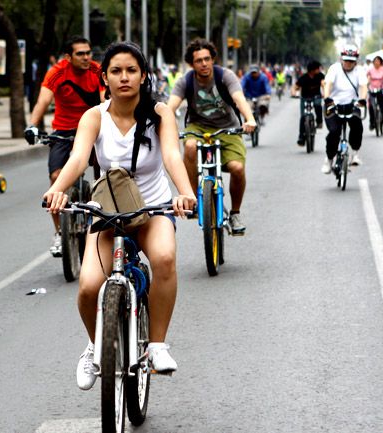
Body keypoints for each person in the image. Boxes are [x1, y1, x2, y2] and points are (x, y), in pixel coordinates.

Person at [43, 41, 196, 390]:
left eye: (131, 70)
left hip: (153, 208)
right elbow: (79, 158)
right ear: (105, 78)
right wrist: (60, 188)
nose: (124, 77)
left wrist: (185, 192)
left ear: (143, 76)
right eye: (116, 71)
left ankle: (156, 345)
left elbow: (172, 156)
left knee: (164, 258)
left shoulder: (159, 113)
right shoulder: (94, 116)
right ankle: (93, 347)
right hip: (108, 211)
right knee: (88, 287)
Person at [25, 36, 106, 257]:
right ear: (68, 57)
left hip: (92, 128)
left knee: (105, 172)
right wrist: (32, 126)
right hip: (63, 130)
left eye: (88, 52)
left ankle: (104, 215)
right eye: (80, 54)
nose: (86, 57)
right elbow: (43, 100)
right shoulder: (57, 72)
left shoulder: (97, 71)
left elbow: (104, 99)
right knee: (55, 178)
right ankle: (60, 231)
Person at [167, 39, 256, 235]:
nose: (204, 64)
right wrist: (160, 126)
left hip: (228, 128)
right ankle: (192, 198)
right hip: (198, 127)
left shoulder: (225, 76)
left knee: (237, 168)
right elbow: (169, 107)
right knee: (189, 146)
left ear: (213, 59)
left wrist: (249, 119)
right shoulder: (186, 81)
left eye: (207, 59)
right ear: (192, 64)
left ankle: (235, 213)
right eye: (199, 60)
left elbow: (238, 98)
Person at [321, 44, 367, 173]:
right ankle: (329, 160)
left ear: (356, 61)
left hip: (353, 104)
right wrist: (327, 98)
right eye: (346, 60)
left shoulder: (360, 71)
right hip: (333, 105)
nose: (348, 63)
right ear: (341, 59)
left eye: (351, 61)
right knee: (334, 132)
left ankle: (355, 154)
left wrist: (362, 99)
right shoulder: (334, 69)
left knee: (357, 126)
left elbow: (363, 86)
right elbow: (328, 84)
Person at [292, 60, 325, 146]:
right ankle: (301, 137)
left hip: (316, 96)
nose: (319, 70)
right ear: (312, 70)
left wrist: (325, 92)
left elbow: (323, 84)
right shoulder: (303, 78)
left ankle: (319, 122)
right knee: (303, 116)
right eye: (318, 69)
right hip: (304, 98)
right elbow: (295, 86)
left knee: (318, 105)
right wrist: (293, 92)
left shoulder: (320, 76)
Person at [366, 55, 383, 130]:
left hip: (381, 88)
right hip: (372, 89)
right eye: (375, 61)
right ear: (373, 62)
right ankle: (372, 122)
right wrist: (365, 84)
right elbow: (365, 77)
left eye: (378, 61)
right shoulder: (370, 69)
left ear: (380, 62)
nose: (376, 63)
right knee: (371, 105)